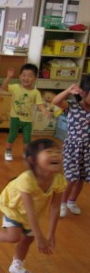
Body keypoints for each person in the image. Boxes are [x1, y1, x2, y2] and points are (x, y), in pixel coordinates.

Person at [0, 138, 66, 273]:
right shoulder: (27, 179)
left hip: (35, 211)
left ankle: (17, 266)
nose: (56, 155)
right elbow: (28, 208)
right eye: (49, 151)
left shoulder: (59, 180)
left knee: (27, 239)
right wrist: (40, 237)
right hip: (14, 208)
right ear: (33, 160)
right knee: (14, 236)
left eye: (58, 151)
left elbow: (55, 207)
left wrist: (51, 233)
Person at [51, 75, 90, 217]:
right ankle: (62, 202)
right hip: (72, 148)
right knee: (71, 177)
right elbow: (55, 101)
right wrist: (68, 90)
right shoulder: (73, 106)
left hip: (88, 150)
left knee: (81, 178)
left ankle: (72, 201)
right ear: (84, 93)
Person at [1, 64, 50, 161]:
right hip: (15, 117)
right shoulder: (15, 87)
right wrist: (9, 77)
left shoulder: (35, 92)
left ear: (35, 78)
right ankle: (8, 150)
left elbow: (39, 103)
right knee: (12, 135)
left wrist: (45, 111)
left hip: (28, 120)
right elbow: (3, 87)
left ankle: (26, 152)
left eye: (29, 75)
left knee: (27, 138)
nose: (26, 78)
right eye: (23, 75)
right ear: (19, 76)